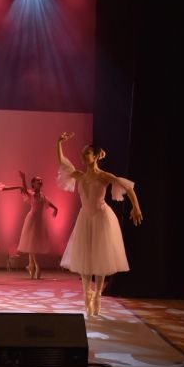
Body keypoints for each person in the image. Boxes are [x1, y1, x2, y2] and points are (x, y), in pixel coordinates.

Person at [56, 132, 142, 316]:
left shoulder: (103, 176)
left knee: (101, 256)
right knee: (85, 256)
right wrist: (59, 143)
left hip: (101, 217)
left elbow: (127, 187)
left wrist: (136, 207)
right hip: (85, 218)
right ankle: (87, 294)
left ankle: (98, 295)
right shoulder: (79, 176)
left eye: (87, 153)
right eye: (82, 154)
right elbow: (62, 162)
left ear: (95, 156)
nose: (83, 156)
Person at [17, 170, 58, 280]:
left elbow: (48, 203)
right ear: (33, 184)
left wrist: (56, 209)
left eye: (41, 180)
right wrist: (23, 178)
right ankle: (37, 266)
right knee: (31, 244)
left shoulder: (42, 196)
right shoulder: (32, 194)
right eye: (38, 181)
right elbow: (25, 189)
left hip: (39, 222)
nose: (40, 182)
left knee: (32, 244)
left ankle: (31, 266)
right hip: (32, 220)